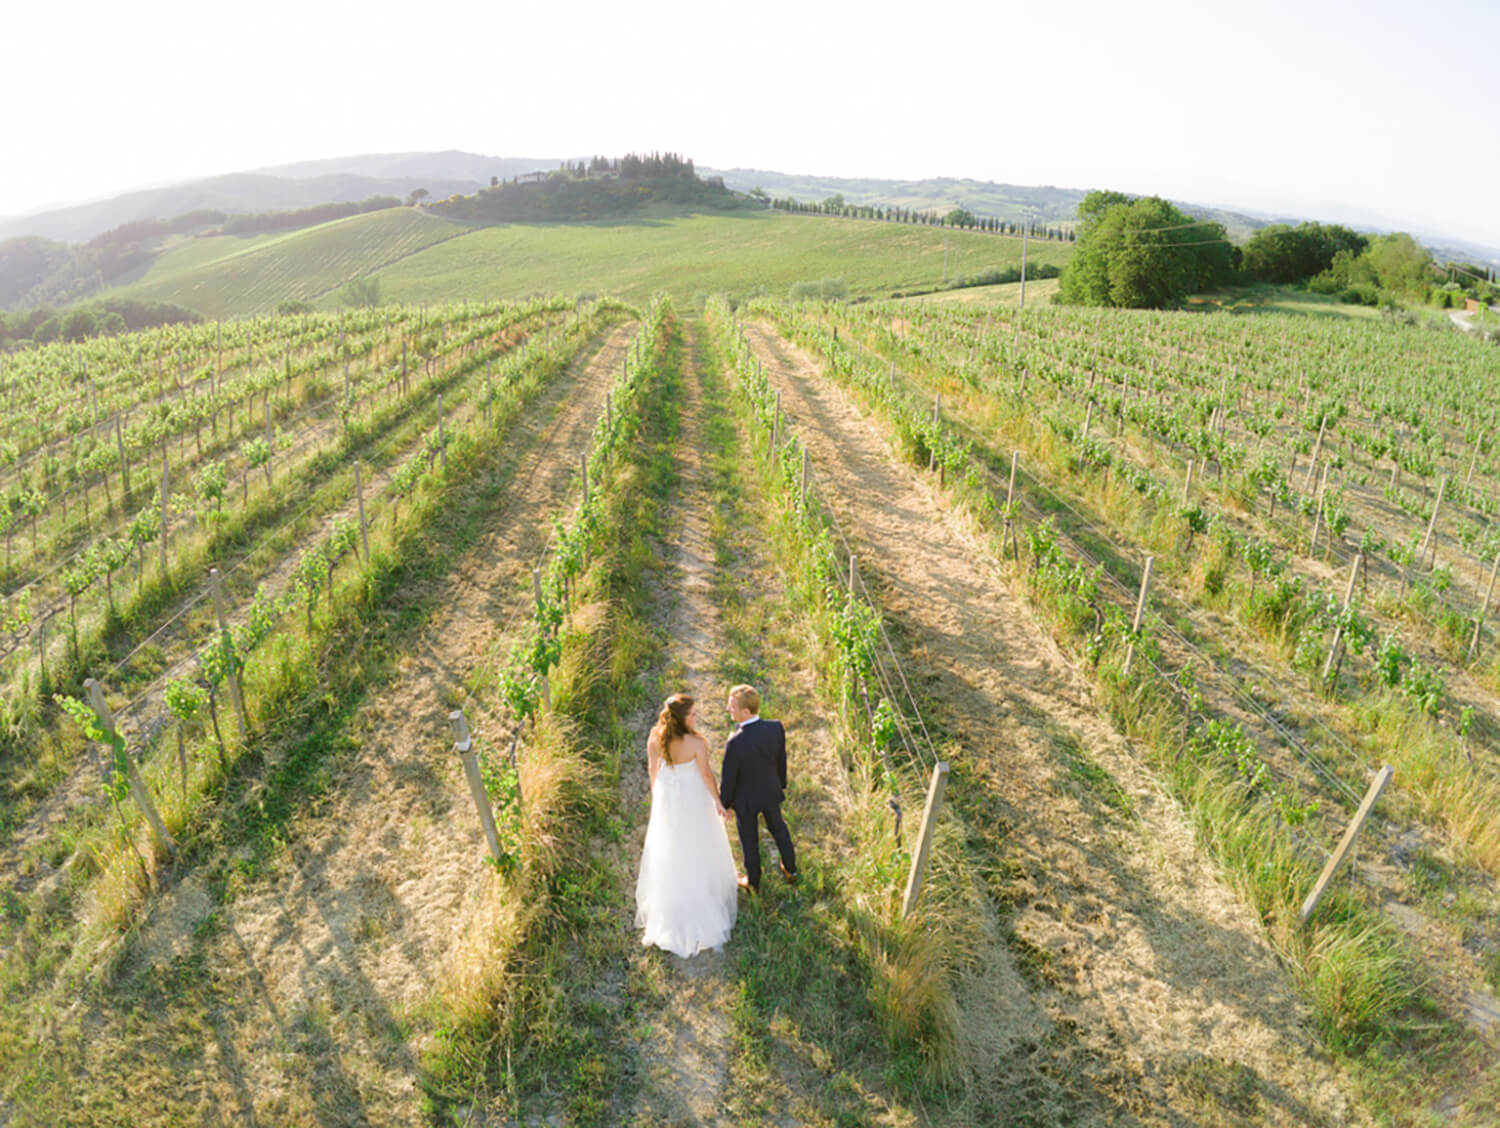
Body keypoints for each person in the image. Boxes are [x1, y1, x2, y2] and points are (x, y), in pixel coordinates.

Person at [635, 693, 739, 957]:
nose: (696, 717)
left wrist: (659, 798)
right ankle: (702, 897)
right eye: (693, 714)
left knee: (671, 844)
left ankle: (674, 902)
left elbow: (653, 771)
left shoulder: (655, 737)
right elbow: (705, 774)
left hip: (668, 796)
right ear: (682, 718)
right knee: (699, 841)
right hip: (693, 796)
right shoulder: (695, 742)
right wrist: (718, 801)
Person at [720, 684, 797, 892]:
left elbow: (729, 778)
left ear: (745, 712)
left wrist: (724, 803)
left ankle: (753, 881)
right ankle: (791, 869)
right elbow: (781, 759)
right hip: (770, 791)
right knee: (779, 828)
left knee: (749, 839)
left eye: (732, 707)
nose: (728, 709)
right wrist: (780, 783)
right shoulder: (775, 728)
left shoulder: (735, 742)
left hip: (746, 801)